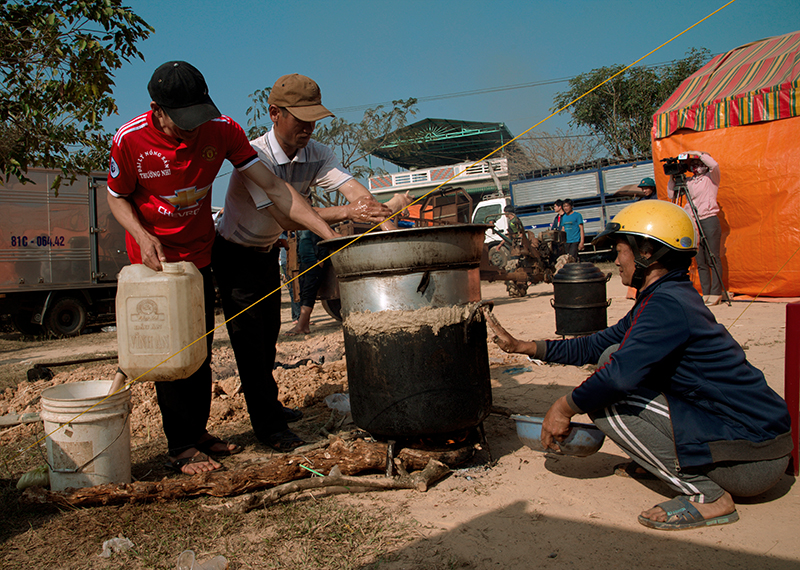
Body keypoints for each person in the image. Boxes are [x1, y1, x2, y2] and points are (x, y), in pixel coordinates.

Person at [484, 200, 791, 531]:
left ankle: (708, 496)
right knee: (611, 354)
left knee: (606, 397)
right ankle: (660, 461)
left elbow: (616, 379)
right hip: (754, 445)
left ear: (647, 251)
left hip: (752, 458)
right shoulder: (664, 296)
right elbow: (597, 344)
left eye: (620, 250)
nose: (616, 260)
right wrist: (525, 347)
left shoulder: (667, 306)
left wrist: (563, 406)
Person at [107, 61, 338, 473]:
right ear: (156, 109)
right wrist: (143, 237)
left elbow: (272, 186)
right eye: (182, 123)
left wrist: (323, 230)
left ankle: (197, 434)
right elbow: (117, 197)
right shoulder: (129, 140)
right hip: (157, 262)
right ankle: (180, 446)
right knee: (173, 352)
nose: (193, 130)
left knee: (201, 349)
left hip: (201, 254)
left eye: (198, 118)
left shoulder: (222, 130)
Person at [212, 73, 410, 450]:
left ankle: (269, 406)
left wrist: (371, 207)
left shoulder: (317, 152)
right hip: (234, 254)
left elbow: (350, 187)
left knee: (268, 337)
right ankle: (269, 429)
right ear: (274, 114)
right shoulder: (253, 156)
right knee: (249, 342)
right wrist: (346, 214)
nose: (308, 127)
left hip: (267, 252)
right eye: (299, 118)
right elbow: (286, 218)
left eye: (313, 118)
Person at [667, 151, 723, 305]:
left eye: (698, 164)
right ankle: (706, 292)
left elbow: (714, 165)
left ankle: (716, 292)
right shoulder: (689, 181)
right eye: (693, 165)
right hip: (693, 221)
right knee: (701, 260)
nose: (696, 167)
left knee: (713, 257)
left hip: (709, 218)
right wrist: (672, 177)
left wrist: (696, 154)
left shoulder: (711, 178)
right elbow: (672, 194)